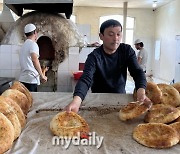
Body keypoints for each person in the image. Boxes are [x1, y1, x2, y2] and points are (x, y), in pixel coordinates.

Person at [65, 19, 149, 113]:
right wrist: (77, 101)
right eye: (111, 34)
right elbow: (86, 79)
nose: (116, 38)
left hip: (119, 98)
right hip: (98, 99)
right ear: (101, 36)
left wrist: (141, 91)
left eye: (118, 34)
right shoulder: (94, 56)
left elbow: (137, 72)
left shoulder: (126, 51)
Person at [19, 23, 48, 92]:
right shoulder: (33, 44)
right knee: (31, 101)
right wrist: (42, 75)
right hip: (30, 80)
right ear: (35, 32)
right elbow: (35, 60)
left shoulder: (24, 45)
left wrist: (43, 71)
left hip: (23, 79)